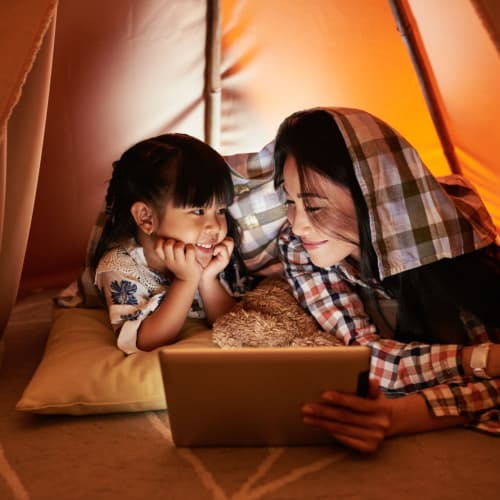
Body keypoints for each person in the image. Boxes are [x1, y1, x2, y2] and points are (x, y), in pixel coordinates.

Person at [273, 107, 500, 453]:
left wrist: (404, 413)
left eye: (315, 207)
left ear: (372, 199)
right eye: (289, 202)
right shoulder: (298, 248)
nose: (298, 223)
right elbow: (365, 356)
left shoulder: (447, 239)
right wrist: (477, 360)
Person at [91, 133, 246, 354]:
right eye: (198, 211)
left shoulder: (213, 253)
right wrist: (186, 281)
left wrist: (207, 278)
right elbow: (145, 342)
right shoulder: (120, 265)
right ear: (146, 217)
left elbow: (235, 325)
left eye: (220, 211)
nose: (215, 226)